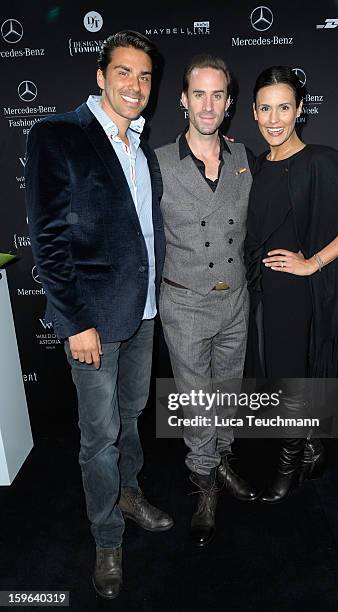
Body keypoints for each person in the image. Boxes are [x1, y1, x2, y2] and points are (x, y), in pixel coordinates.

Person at [25, 31, 173, 600]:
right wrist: (74, 321)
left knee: (132, 415)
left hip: (144, 311)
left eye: (144, 76)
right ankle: (106, 537)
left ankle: (129, 495)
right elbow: (49, 239)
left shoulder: (140, 145)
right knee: (98, 436)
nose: (135, 85)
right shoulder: (59, 135)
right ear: (100, 75)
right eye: (124, 73)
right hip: (91, 319)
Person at [244, 66, 338, 503]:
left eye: (283, 107)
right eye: (265, 108)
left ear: (300, 110)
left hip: (294, 293)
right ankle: (312, 445)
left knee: (287, 378)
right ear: (252, 112)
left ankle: (291, 462)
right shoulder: (253, 164)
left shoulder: (320, 160)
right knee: (270, 375)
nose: (274, 118)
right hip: (258, 290)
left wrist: (313, 263)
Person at [155, 54, 257, 548]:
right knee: (198, 403)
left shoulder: (242, 158)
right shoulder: (157, 163)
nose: (208, 104)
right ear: (182, 100)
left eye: (218, 94)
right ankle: (204, 484)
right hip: (186, 303)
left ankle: (223, 460)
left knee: (227, 392)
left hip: (235, 299)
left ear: (230, 102)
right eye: (199, 94)